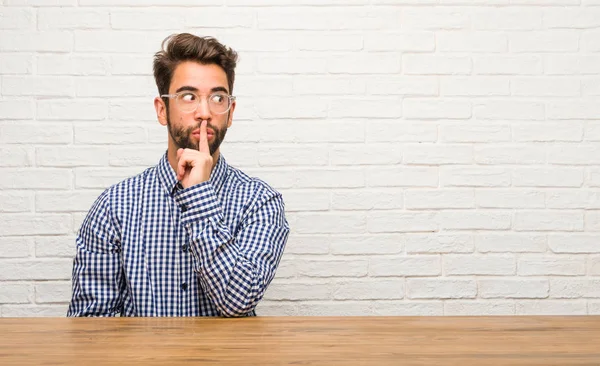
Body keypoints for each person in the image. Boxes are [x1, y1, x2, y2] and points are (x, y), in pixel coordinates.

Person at [67, 33, 290, 317]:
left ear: (230, 112)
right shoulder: (114, 206)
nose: (205, 112)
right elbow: (90, 328)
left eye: (218, 97)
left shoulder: (260, 202)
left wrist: (198, 196)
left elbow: (238, 301)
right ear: (162, 110)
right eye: (188, 96)